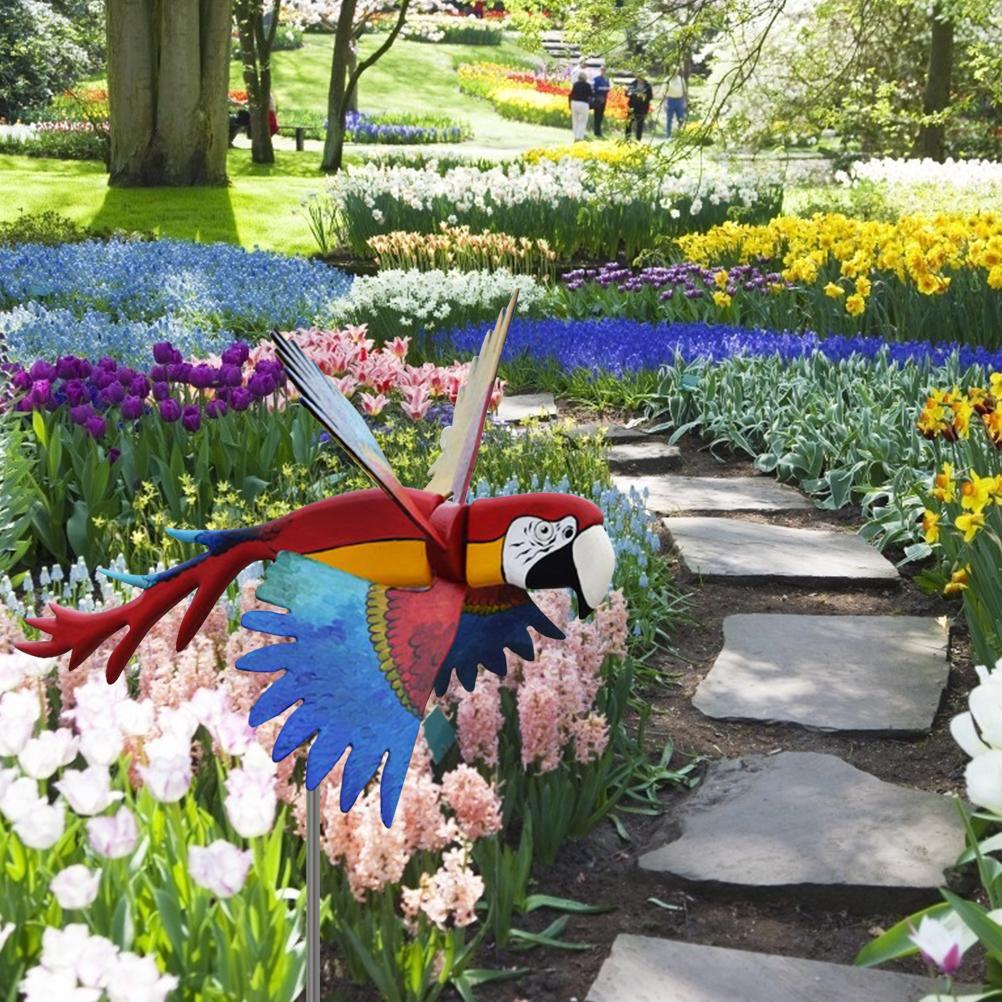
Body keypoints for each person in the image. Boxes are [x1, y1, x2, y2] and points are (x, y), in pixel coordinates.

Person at [625, 76, 653, 140]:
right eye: (639, 76)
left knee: (640, 124)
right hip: (632, 106)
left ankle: (638, 139)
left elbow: (650, 96)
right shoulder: (632, 84)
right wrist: (629, 93)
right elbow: (627, 94)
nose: (640, 78)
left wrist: (643, 96)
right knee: (629, 123)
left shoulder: (647, 85)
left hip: (642, 107)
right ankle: (627, 138)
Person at [568, 71, 592, 142]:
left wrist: (569, 104)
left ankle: (575, 136)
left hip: (574, 102)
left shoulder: (575, 84)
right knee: (582, 121)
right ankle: (579, 137)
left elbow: (571, 94)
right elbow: (590, 95)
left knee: (575, 120)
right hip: (583, 103)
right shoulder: (588, 85)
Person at [666, 68, 687, 137]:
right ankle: (668, 136)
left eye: (676, 71)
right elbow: (663, 92)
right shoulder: (667, 80)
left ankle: (679, 134)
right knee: (669, 119)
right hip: (670, 100)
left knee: (681, 118)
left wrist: (685, 101)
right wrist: (664, 103)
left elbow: (684, 91)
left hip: (679, 100)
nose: (675, 72)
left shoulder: (681, 79)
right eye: (673, 71)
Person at [590, 66, 611, 137]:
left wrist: (605, 89)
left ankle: (599, 131)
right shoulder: (596, 79)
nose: (604, 72)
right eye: (602, 70)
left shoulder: (607, 79)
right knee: (597, 115)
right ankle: (597, 131)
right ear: (600, 71)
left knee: (601, 115)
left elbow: (608, 88)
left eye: (605, 70)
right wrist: (601, 89)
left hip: (604, 98)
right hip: (598, 99)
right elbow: (594, 88)